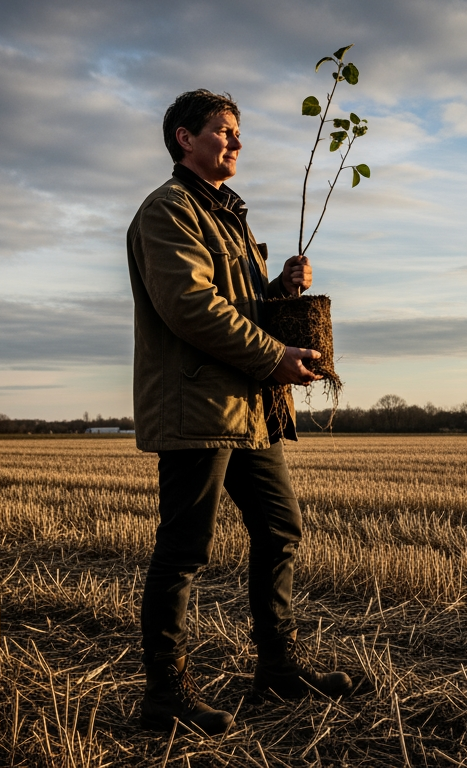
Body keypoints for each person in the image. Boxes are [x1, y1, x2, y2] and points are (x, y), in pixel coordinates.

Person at [127, 89, 353, 735]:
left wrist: (279, 288)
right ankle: (165, 695)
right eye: (224, 131)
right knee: (184, 549)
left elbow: (241, 302)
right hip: (196, 403)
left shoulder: (230, 218)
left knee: (281, 528)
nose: (236, 142)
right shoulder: (168, 210)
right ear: (183, 138)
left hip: (248, 405)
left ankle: (277, 669)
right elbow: (192, 308)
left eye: (237, 133)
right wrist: (273, 355)